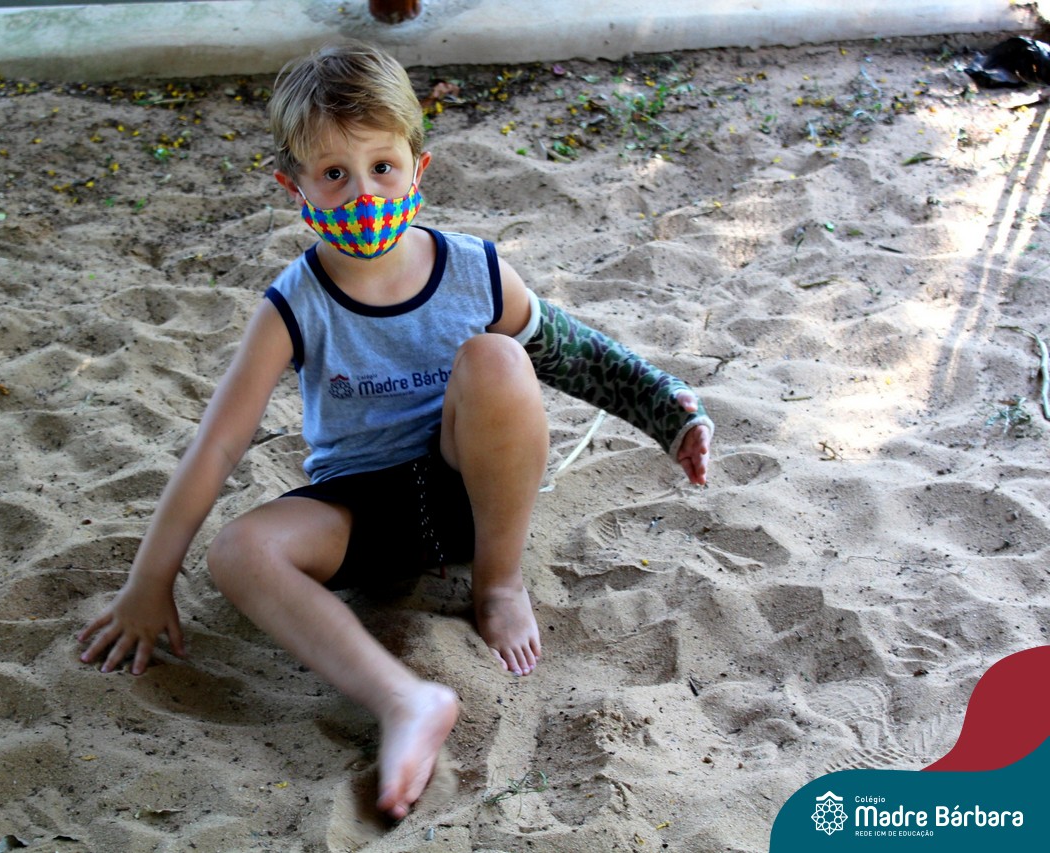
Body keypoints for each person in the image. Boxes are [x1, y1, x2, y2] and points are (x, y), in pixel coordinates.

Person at [78, 41, 714, 821]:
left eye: (382, 166)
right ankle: (404, 699)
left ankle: (498, 585)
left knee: (498, 359)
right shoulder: (293, 303)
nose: (362, 192)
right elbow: (217, 444)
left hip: (472, 494)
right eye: (333, 173)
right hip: (358, 514)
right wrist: (149, 581)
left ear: (419, 167)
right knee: (238, 550)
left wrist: (665, 411)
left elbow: (570, 352)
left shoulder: (476, 269)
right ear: (293, 186)